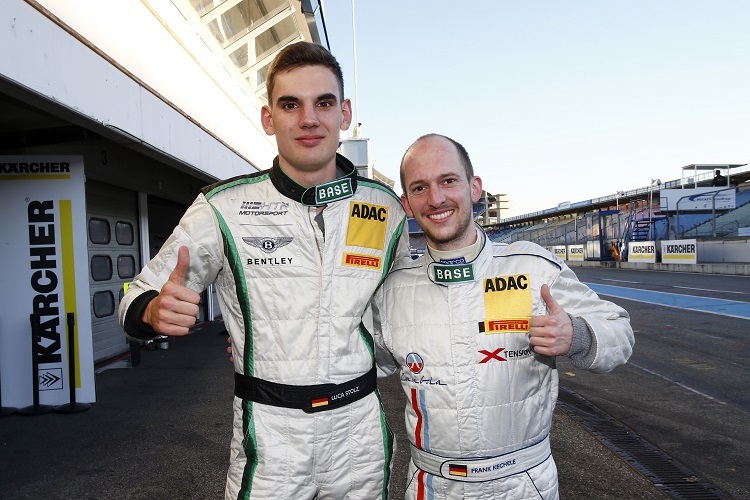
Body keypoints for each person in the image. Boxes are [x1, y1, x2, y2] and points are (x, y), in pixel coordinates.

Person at [119, 41, 410, 500]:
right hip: (270, 434)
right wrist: (152, 311)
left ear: (345, 112)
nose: (309, 119)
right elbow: (138, 293)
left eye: (324, 103)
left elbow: (406, 309)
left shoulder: (385, 209)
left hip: (358, 434)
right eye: (290, 104)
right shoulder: (223, 207)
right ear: (268, 118)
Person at [371, 134, 634, 499]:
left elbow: (619, 332)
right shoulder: (393, 288)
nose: (436, 199)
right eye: (420, 188)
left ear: (474, 187)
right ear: (407, 204)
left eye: (448, 181)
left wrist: (577, 334)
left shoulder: (531, 267)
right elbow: (354, 364)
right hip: (431, 487)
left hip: (521, 485)